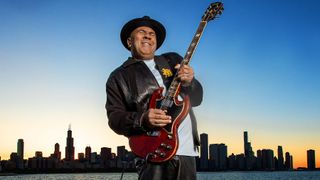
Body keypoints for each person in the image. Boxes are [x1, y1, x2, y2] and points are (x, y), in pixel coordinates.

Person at [105, 16, 203, 180]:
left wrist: (190, 82)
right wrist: (142, 119)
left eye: (152, 33)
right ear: (130, 42)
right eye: (141, 32)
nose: (148, 36)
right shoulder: (119, 76)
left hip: (187, 153)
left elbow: (198, 99)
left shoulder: (173, 60)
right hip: (151, 152)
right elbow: (114, 118)